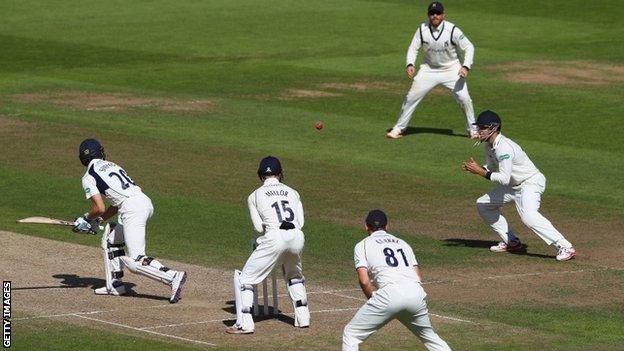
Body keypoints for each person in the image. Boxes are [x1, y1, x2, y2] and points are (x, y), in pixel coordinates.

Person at [73, 138, 187, 303]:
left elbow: (99, 208)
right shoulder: (112, 165)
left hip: (132, 209)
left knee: (135, 261)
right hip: (143, 202)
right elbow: (114, 204)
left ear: (83, 159)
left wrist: (85, 219)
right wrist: (97, 221)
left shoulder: (89, 176)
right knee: (111, 238)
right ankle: (114, 285)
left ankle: (173, 277)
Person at [462, 111, 577, 261]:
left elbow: (503, 178)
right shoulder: (489, 146)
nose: (479, 131)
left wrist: (481, 173)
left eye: (483, 127)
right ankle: (511, 241)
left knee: (528, 216)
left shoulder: (504, 148)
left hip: (530, 183)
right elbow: (491, 166)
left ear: (494, 128)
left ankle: (566, 247)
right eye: (479, 127)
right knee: (483, 204)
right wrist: (478, 169)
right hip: (514, 185)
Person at [342, 210, 452, 351]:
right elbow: (418, 277)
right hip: (415, 294)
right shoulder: (403, 244)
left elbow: (364, 281)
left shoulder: (362, 245)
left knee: (351, 334)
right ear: (387, 226)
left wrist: (374, 299)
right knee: (430, 337)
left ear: (366, 226)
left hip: (389, 295)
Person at [226, 156, 310, 334]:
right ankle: (303, 318)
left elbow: (258, 228)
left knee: (245, 279)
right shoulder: (293, 192)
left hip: (274, 237)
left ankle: (245, 323)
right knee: (294, 275)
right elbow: (301, 222)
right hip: (297, 237)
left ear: (260, 175)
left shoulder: (254, 195)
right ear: (280, 173)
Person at [387, 1, 477, 140]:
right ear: (428, 15)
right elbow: (413, 48)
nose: (435, 16)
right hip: (428, 69)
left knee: (464, 98)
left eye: (438, 13)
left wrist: (465, 67)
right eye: (432, 13)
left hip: (452, 69)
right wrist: (410, 64)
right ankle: (399, 128)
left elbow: (469, 47)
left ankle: (473, 130)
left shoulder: (452, 30)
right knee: (411, 97)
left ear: (443, 15)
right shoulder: (422, 30)